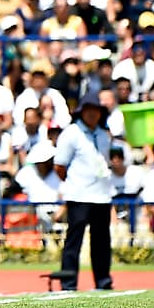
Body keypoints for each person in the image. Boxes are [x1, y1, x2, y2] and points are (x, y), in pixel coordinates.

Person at [54, 94, 114, 291]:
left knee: (102, 242)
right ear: (82, 111)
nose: (92, 113)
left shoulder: (103, 134)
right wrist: (74, 183)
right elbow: (60, 166)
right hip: (79, 195)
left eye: (95, 109)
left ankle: (103, 281)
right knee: (74, 241)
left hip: (102, 195)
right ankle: (69, 283)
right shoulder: (72, 133)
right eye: (88, 109)